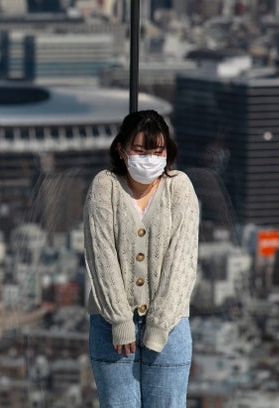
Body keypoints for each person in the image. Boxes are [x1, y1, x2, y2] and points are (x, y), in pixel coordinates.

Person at [83, 109, 199, 407]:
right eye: (139, 149)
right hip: (111, 326)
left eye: (157, 150)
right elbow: (101, 255)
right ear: (121, 150)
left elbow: (182, 260)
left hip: (170, 326)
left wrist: (159, 324)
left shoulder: (180, 187)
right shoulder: (104, 186)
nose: (149, 157)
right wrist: (120, 320)